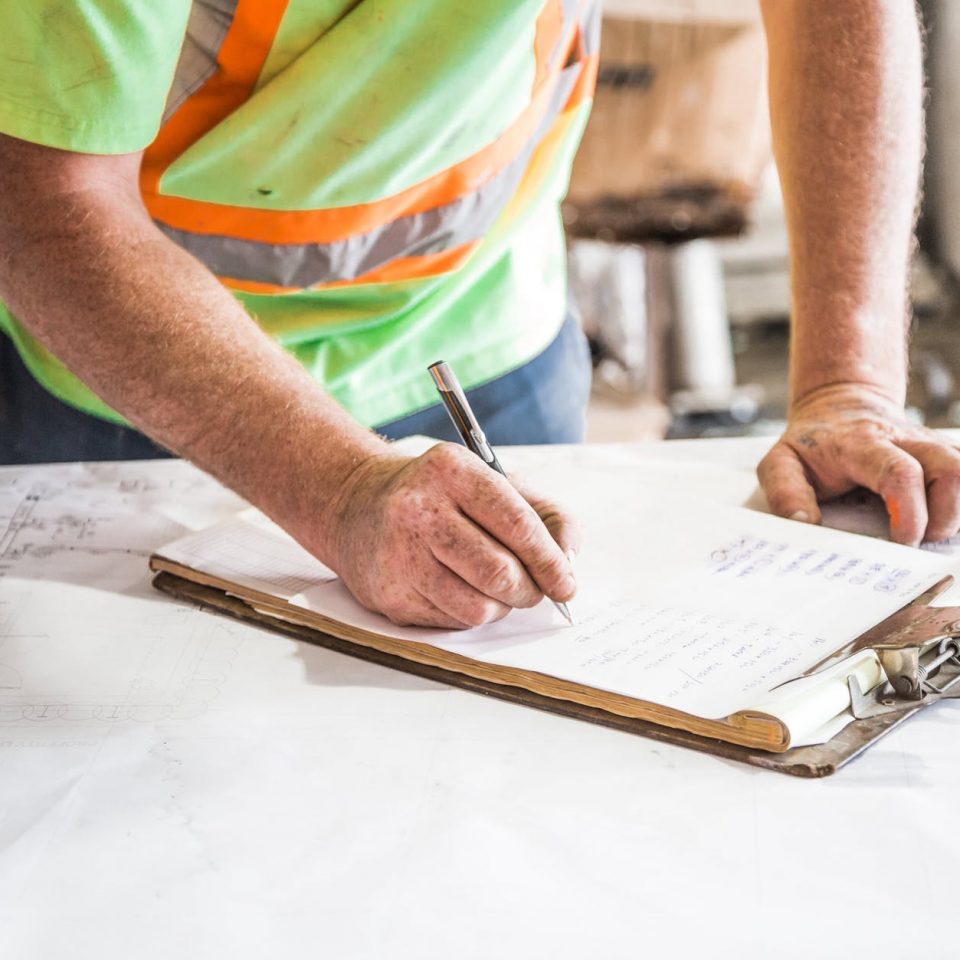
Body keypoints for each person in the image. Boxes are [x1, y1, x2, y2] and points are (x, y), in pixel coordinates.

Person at [0, 1, 955, 629]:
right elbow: (40, 199)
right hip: (127, 385)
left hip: (489, 333)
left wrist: (848, 383)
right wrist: (333, 488)